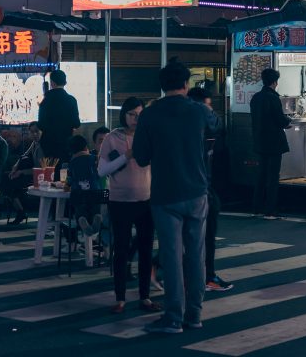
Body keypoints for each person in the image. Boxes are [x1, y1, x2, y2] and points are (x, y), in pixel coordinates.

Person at [133, 59, 215, 334]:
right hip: (197, 191)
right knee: (196, 255)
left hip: (165, 194)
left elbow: (142, 158)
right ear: (186, 84)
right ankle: (194, 314)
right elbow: (216, 135)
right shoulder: (200, 112)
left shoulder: (150, 115)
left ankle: (173, 317)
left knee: (171, 255)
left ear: (162, 85)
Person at [99, 97, 160, 314]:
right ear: (124, 114)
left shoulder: (148, 136)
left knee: (145, 250)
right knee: (121, 250)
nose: (136, 119)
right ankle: (120, 298)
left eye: (140, 114)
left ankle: (145, 297)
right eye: (132, 114)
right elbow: (102, 171)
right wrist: (126, 156)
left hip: (145, 199)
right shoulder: (111, 138)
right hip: (120, 201)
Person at [187, 87, 232, 293]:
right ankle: (205, 276)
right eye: (207, 105)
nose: (210, 111)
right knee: (201, 235)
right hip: (196, 190)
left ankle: (206, 274)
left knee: (199, 235)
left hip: (203, 187)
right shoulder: (196, 129)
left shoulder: (205, 132)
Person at [250, 68, 292, 218]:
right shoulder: (273, 98)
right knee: (273, 177)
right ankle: (270, 209)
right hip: (274, 143)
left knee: (261, 175)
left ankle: (257, 207)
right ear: (275, 82)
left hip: (260, 142)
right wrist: (288, 122)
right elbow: (280, 120)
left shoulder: (256, 98)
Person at [38, 69, 81, 168]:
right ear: (65, 82)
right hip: (66, 143)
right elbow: (76, 123)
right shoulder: (71, 100)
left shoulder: (45, 101)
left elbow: (41, 125)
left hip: (48, 143)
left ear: (52, 83)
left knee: (50, 172)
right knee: (64, 173)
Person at [3, 122, 41, 225]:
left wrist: (21, 172)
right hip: (30, 173)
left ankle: (20, 210)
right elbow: (24, 155)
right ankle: (20, 210)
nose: (34, 135)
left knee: (10, 183)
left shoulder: (43, 145)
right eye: (32, 132)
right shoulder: (34, 143)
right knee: (6, 177)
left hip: (39, 176)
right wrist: (15, 167)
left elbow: (40, 168)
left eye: (36, 132)